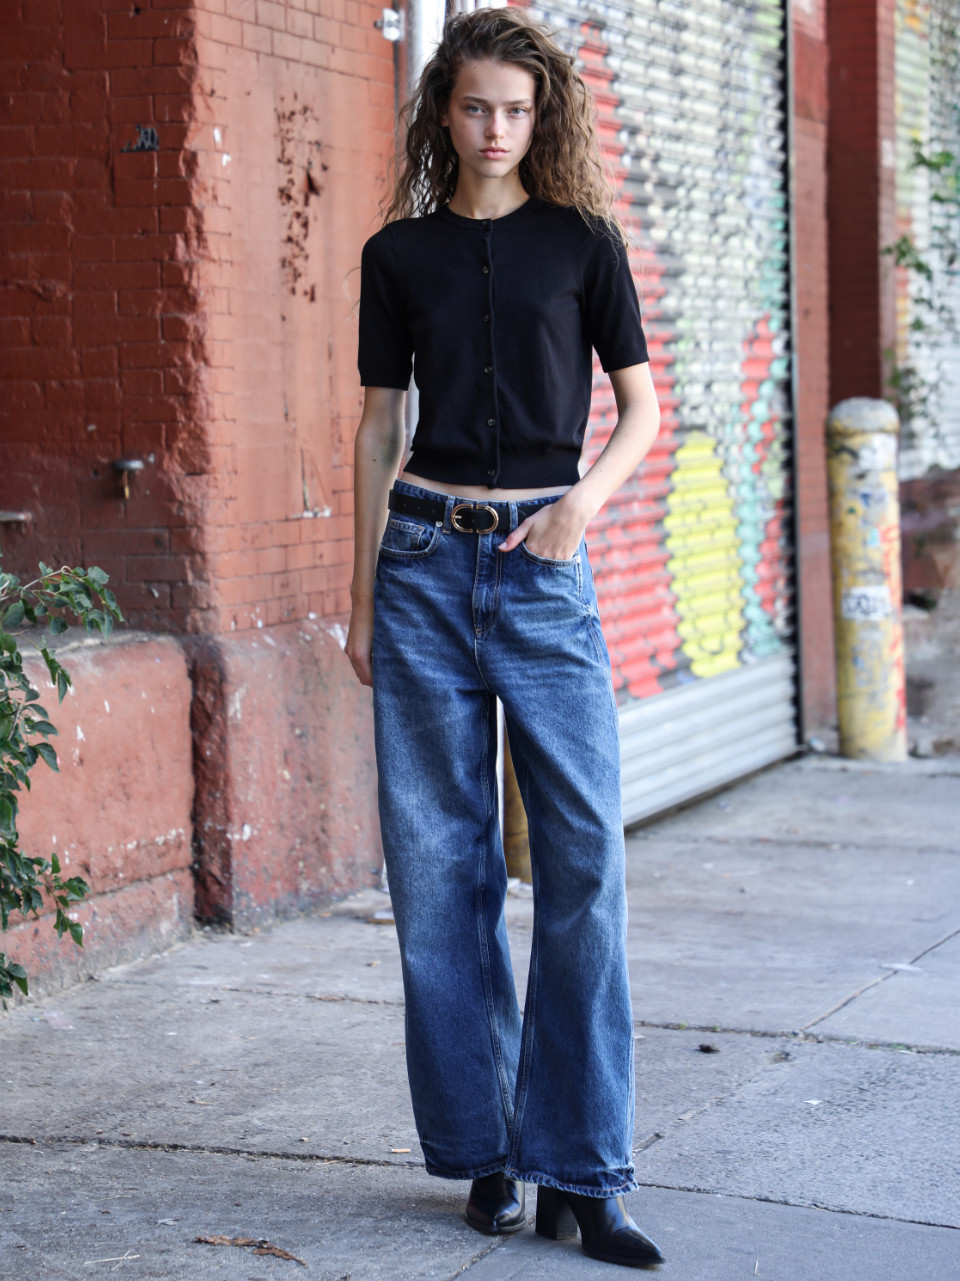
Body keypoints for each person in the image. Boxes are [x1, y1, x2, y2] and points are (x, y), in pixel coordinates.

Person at [345, 8, 662, 1268]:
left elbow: (641, 409)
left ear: (543, 118)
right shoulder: (396, 254)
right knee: (441, 872)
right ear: (445, 111)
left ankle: (583, 1171)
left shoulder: (583, 243)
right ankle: (485, 1154)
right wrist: (359, 598)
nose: (495, 129)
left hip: (544, 567)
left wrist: (582, 505)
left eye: (517, 111)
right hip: (423, 565)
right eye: (476, 107)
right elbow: (379, 429)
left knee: (585, 862)